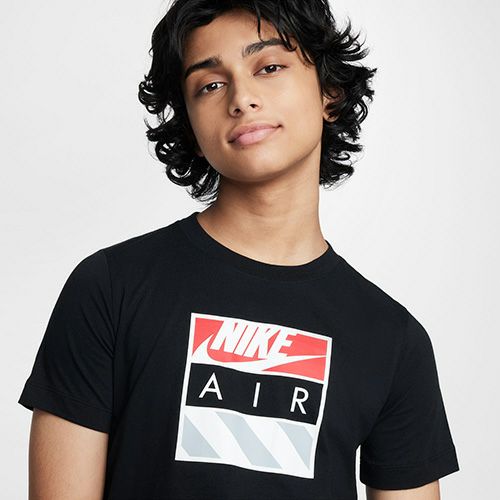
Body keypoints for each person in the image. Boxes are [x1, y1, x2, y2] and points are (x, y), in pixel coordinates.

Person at [18, 1, 460, 498]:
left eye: (269, 67)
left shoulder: (393, 339)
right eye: (209, 85)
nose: (241, 98)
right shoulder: (109, 289)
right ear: (190, 124)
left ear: (329, 93)